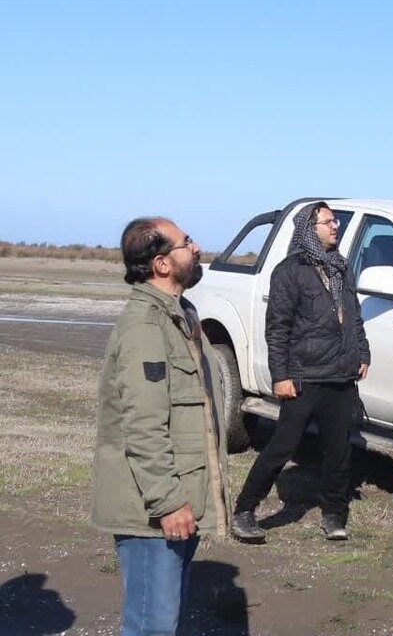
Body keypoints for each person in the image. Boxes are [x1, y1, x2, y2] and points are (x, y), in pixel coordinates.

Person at [92, 217, 231, 636]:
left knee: (161, 621)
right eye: (186, 242)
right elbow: (143, 426)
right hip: (153, 511)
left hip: (177, 500)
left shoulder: (179, 315)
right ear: (161, 264)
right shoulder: (145, 327)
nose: (197, 247)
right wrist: (168, 502)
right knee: (151, 625)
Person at [230, 201, 370, 543]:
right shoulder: (289, 271)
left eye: (335, 221)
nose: (335, 226)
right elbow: (277, 329)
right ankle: (245, 510)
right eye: (328, 222)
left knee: (339, 450)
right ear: (310, 228)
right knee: (282, 446)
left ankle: (334, 514)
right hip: (305, 376)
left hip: (341, 374)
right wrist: (281, 375)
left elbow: (352, 315)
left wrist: (362, 352)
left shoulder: (341, 267)